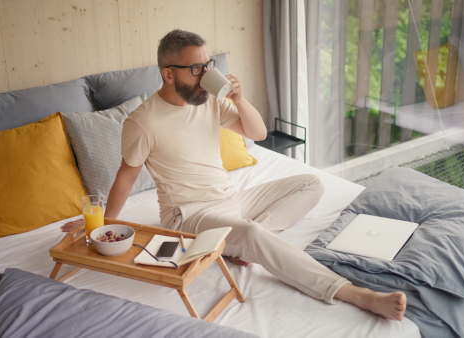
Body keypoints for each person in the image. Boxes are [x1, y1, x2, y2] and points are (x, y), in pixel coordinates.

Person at [62, 29, 406, 320]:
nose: (205, 74)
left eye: (207, 65)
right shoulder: (142, 122)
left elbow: (256, 133)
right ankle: (351, 293)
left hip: (231, 198)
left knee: (309, 183)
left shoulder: (208, 100)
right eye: (196, 68)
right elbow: (126, 175)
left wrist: (240, 100)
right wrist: (104, 222)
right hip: (191, 215)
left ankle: (243, 244)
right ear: (169, 73)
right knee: (252, 232)